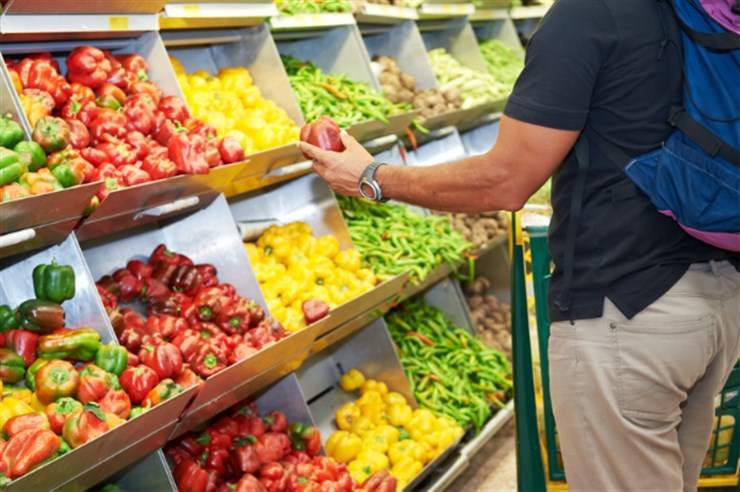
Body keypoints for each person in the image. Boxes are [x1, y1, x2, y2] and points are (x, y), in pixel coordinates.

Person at [298, 0, 740, 490]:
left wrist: (372, 178)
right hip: (716, 297)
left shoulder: (589, 14)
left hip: (628, 313)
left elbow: (505, 181)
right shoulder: (697, 10)